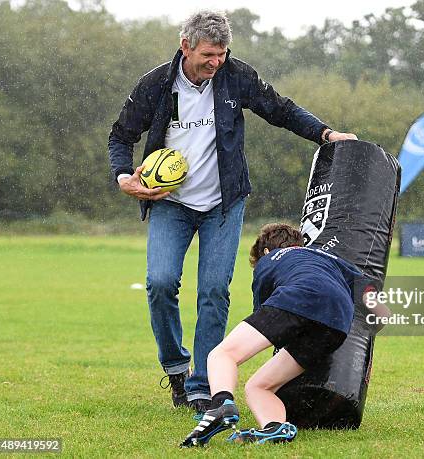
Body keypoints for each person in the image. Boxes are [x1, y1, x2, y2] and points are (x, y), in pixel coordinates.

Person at [107, 10, 357, 416]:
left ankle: (203, 385)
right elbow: (121, 135)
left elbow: (281, 109)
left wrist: (326, 133)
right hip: (170, 203)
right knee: (160, 283)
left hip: (224, 203)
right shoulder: (155, 85)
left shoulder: (237, 75)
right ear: (185, 46)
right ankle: (175, 367)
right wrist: (123, 176)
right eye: (208, 54)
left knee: (213, 292)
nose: (216, 62)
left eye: (222, 53)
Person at [180, 223, 363, 447]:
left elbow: (268, 320)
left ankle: (220, 404)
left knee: (222, 355)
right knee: (258, 386)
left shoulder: (269, 261)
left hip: (297, 298)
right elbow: (373, 302)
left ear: (265, 252)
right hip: (337, 324)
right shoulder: (328, 258)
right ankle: (274, 427)